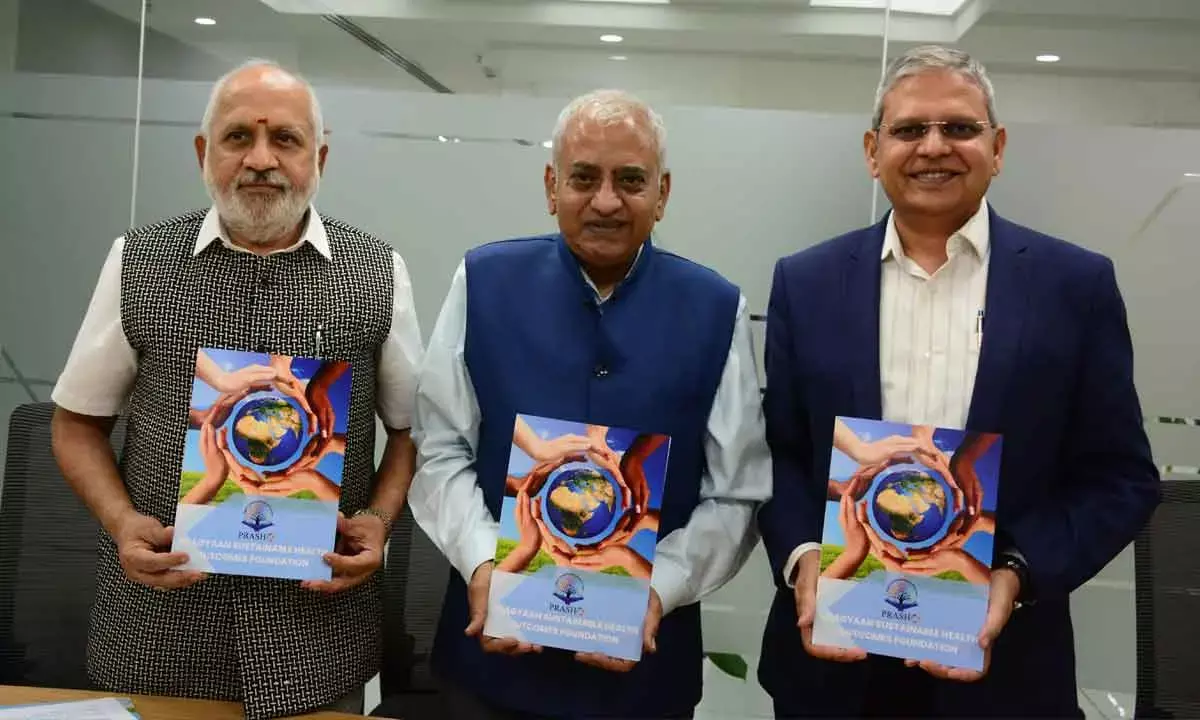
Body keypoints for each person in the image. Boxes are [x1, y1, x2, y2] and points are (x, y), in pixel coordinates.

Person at [756, 45, 1160, 718]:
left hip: (1005, 668)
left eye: (960, 128)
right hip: (832, 666)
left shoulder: (1075, 287)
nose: (933, 147)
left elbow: (1120, 478)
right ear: (872, 149)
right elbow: (781, 452)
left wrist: (1018, 573)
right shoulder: (807, 282)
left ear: (997, 148)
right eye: (910, 129)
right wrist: (803, 556)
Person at [49, 58, 423, 720]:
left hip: (316, 641)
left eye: (285, 139)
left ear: (320, 157)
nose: (259, 159)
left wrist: (380, 520)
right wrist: (119, 521)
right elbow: (75, 423)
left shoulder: (378, 272)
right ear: (203, 152)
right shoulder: (137, 261)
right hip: (159, 630)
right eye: (236, 138)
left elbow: (409, 430)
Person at [407, 88, 771, 719]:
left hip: (644, 675)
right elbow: (441, 451)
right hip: (491, 666)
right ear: (552, 187)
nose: (606, 200)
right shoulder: (483, 281)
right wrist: (482, 563)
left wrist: (657, 590)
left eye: (631, 180)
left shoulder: (717, 308)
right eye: (584, 178)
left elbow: (736, 491)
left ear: (662, 194)